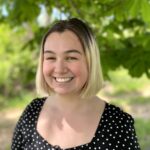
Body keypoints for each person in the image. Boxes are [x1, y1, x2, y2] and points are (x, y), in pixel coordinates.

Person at [11, 18, 141, 150]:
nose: (60, 69)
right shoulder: (32, 113)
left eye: (71, 58)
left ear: (90, 61)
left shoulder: (117, 124)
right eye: (51, 57)